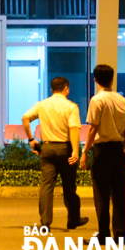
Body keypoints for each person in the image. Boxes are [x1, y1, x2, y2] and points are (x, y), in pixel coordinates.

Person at [22, 76, 88, 230]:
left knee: (46, 186)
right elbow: (73, 129)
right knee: (69, 187)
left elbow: (25, 118)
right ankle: (73, 219)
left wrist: (31, 139)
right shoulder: (71, 107)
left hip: (47, 148)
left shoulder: (42, 105)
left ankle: (45, 222)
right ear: (66, 88)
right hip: (65, 149)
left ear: (52, 89)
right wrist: (75, 151)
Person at [81, 64, 125, 244]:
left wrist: (85, 152)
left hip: (102, 151)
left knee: (101, 194)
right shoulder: (123, 101)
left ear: (95, 80)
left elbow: (93, 129)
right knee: (119, 194)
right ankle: (121, 233)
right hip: (118, 149)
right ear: (112, 79)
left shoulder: (97, 100)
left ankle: (104, 235)